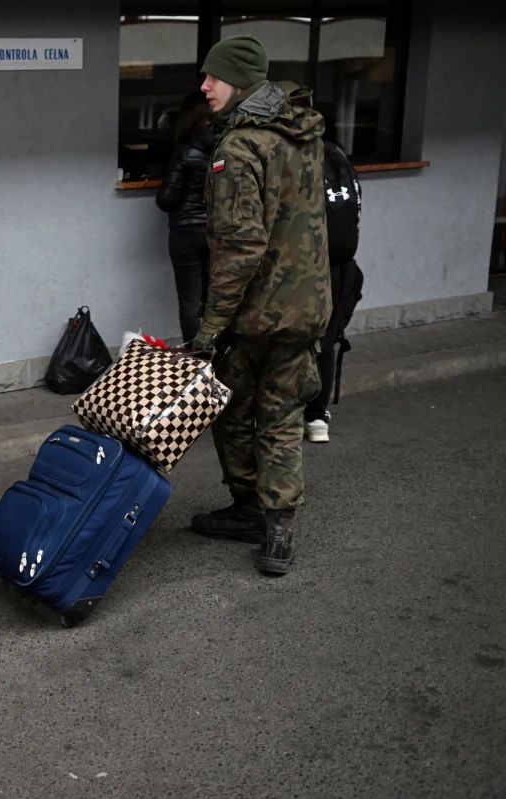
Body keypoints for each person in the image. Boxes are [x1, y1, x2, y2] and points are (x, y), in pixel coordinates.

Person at [185, 35, 331, 577]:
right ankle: (278, 529)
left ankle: (253, 510)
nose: (203, 87)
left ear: (240, 82)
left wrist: (210, 329)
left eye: (212, 78)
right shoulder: (302, 133)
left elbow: (238, 246)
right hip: (308, 305)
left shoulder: (240, 148)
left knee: (229, 408)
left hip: (257, 313)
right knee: (285, 416)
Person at [305, 138, 364, 443]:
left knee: (295, 339)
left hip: (306, 265)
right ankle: (317, 417)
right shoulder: (341, 161)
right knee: (326, 341)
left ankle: (284, 413)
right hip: (342, 265)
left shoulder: (295, 159)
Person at [156, 93, 222, 344]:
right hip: (217, 230)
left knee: (190, 298)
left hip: (186, 233)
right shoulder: (229, 148)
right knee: (215, 296)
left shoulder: (185, 149)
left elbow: (166, 200)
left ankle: (196, 358)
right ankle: (218, 354)